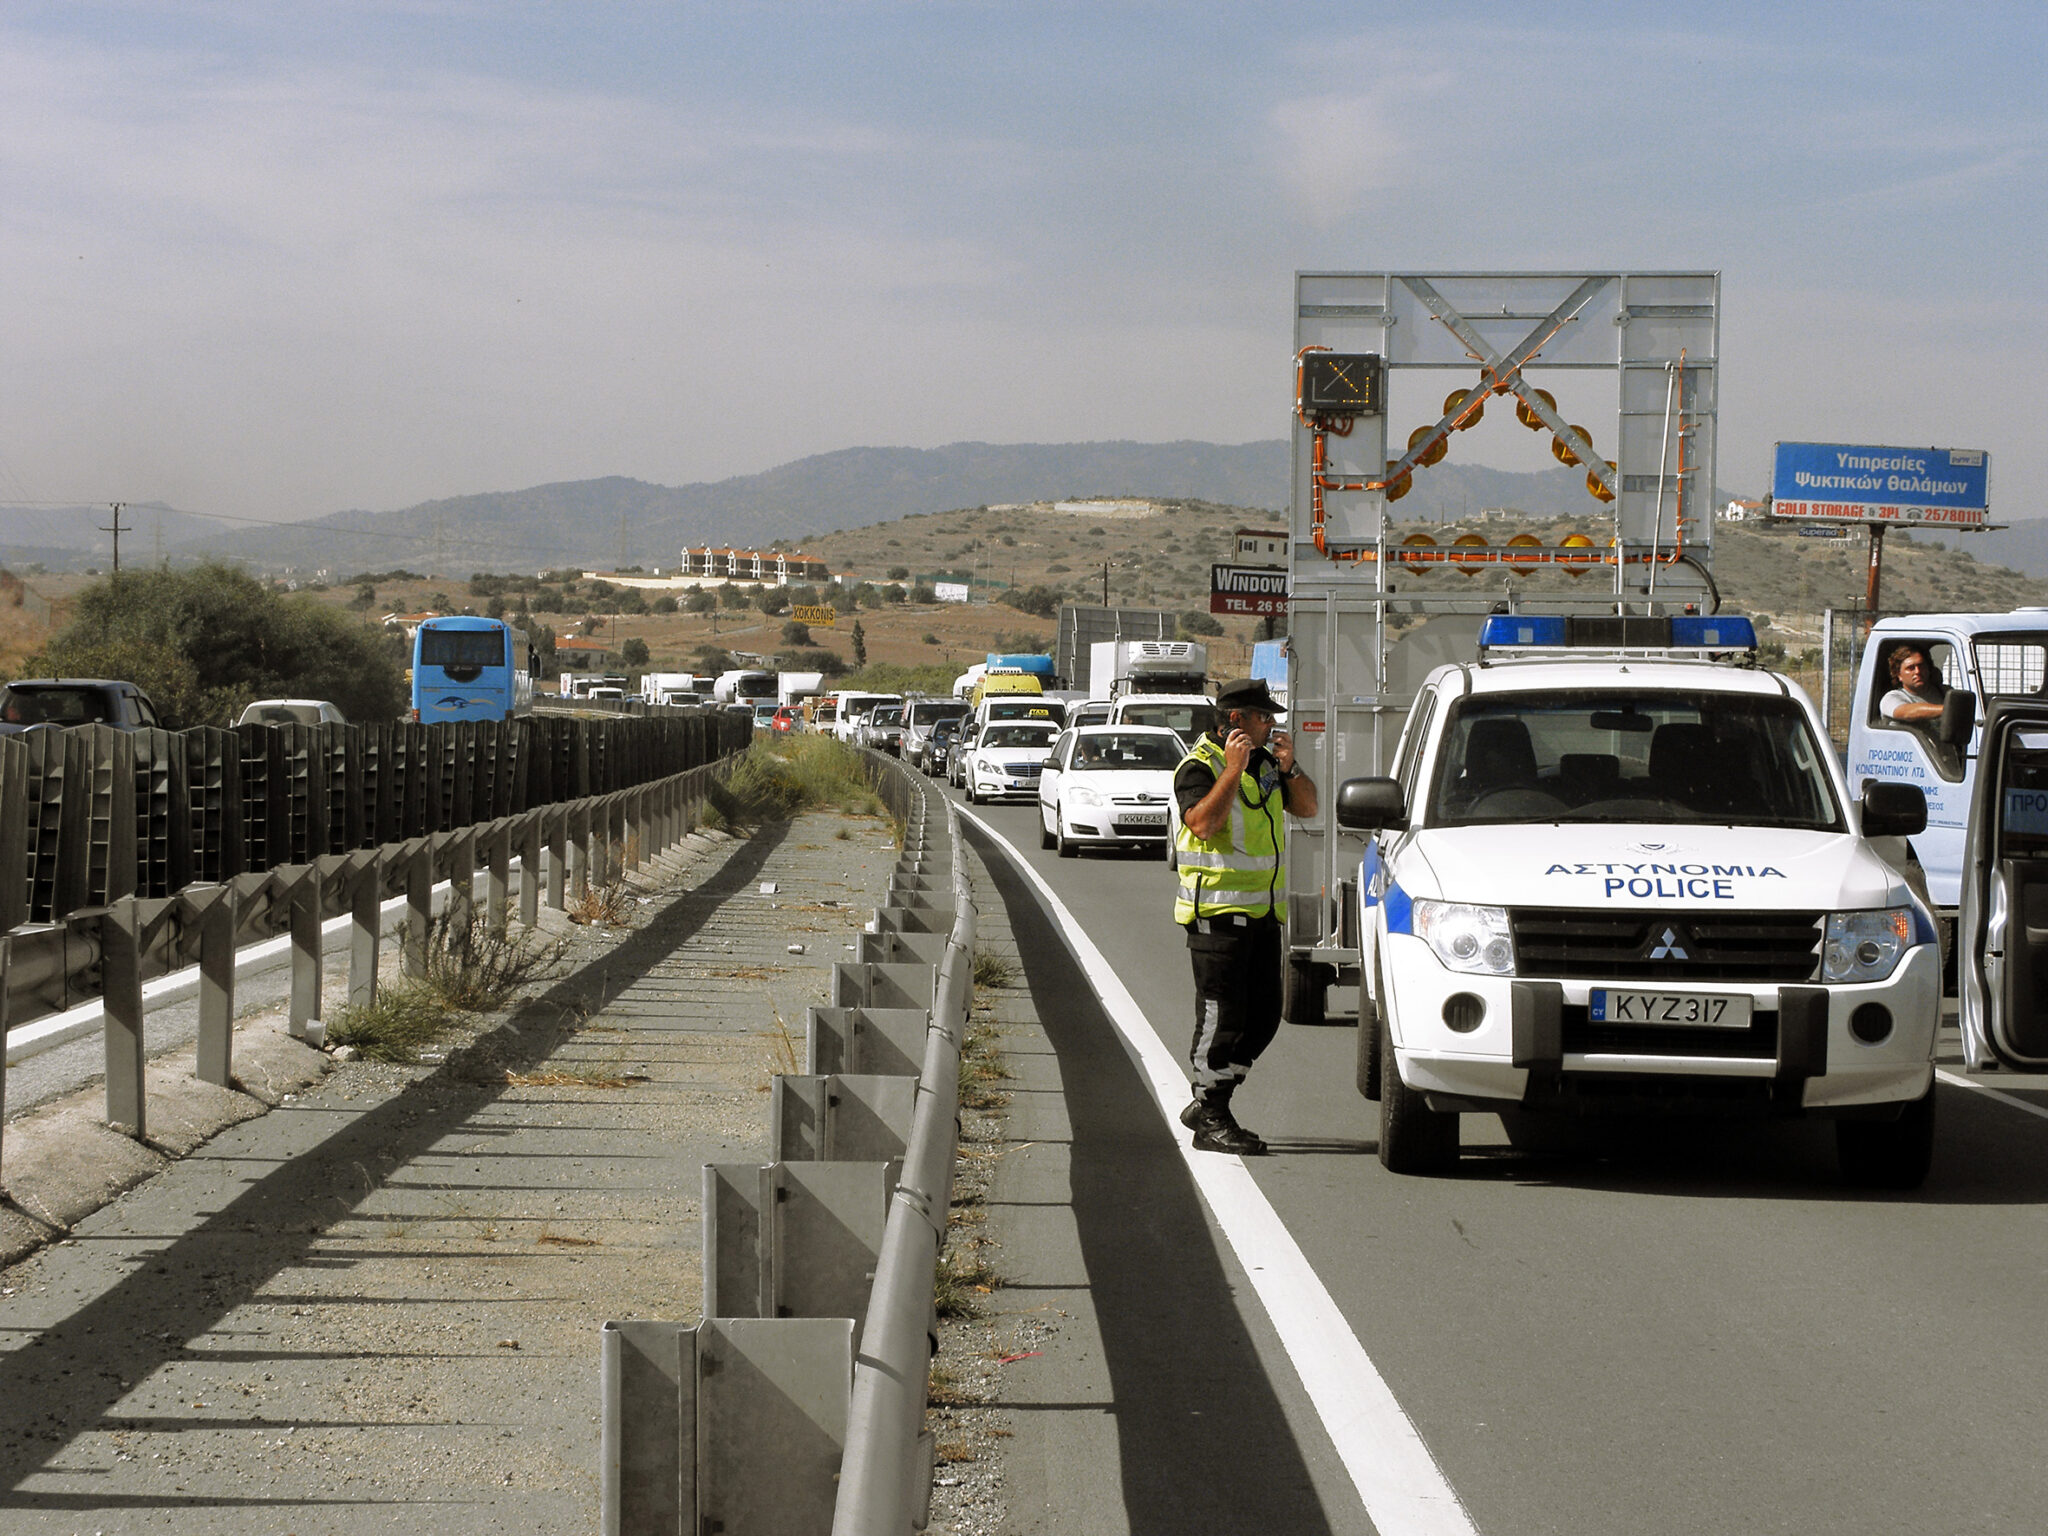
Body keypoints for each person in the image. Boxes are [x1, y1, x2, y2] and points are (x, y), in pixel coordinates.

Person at [1170, 677, 1318, 1154]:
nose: (1271, 723)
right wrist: (1231, 771)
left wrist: (1289, 769)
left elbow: (1309, 807)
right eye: (1263, 716)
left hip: (1261, 914)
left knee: (1263, 1019)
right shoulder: (1199, 766)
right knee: (1221, 1017)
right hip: (1216, 915)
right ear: (1235, 720)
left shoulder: (1264, 763)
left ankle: (1212, 1101)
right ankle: (1211, 1114)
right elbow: (1204, 823)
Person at [1880, 646, 1948, 723]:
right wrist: (1949, 710)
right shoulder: (1891, 698)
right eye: (1910, 668)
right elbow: (1908, 713)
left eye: (1921, 666)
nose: (1917, 671)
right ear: (1899, 674)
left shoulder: (1945, 692)